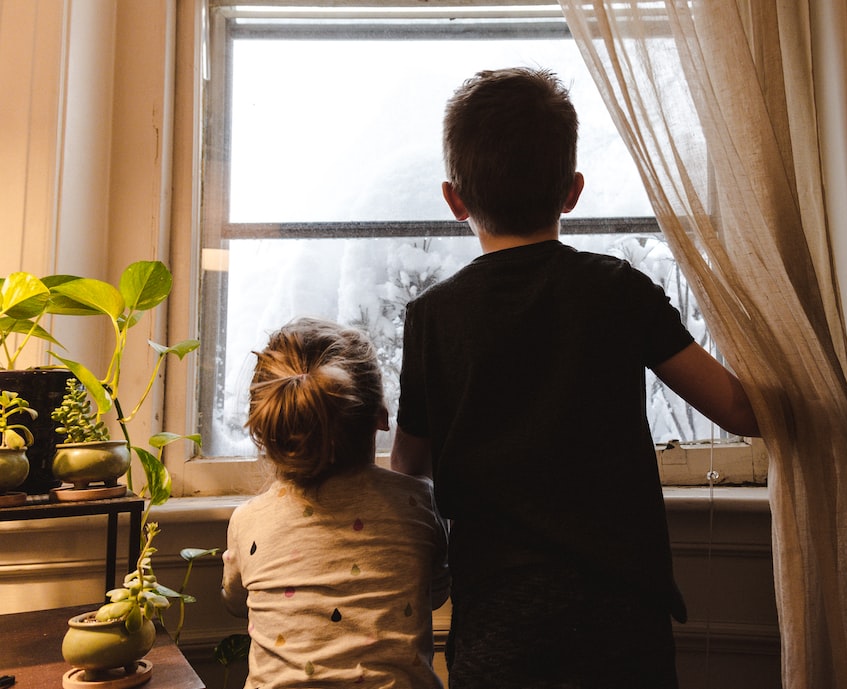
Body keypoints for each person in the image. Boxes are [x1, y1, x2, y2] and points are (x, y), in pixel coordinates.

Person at [390, 67, 759, 689]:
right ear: (573, 190)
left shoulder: (433, 317)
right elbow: (741, 411)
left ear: (454, 200)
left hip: (496, 620)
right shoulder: (616, 288)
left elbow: (408, 468)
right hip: (620, 616)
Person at [221, 317, 450, 689]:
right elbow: (436, 593)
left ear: (267, 432)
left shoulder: (248, 522)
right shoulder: (419, 505)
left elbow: (234, 602)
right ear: (381, 416)